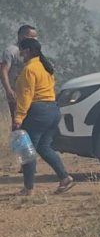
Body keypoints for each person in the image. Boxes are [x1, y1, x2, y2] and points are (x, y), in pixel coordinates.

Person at [12, 38, 74, 195]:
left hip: (38, 111)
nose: (19, 54)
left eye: (21, 50)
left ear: (26, 51)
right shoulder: (45, 67)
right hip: (52, 110)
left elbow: (26, 95)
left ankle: (28, 188)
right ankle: (64, 177)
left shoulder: (29, 70)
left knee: (27, 150)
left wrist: (18, 117)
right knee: (43, 147)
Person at [2, 24, 37, 120]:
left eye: (36, 37)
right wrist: (8, 90)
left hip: (31, 95)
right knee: (17, 122)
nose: (35, 39)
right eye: (32, 37)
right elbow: (4, 71)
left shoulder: (34, 52)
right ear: (22, 36)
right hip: (16, 94)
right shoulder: (11, 51)